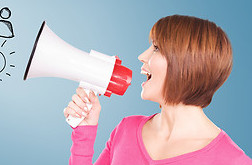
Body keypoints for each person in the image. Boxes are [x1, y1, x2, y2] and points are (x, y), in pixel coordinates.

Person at [64, 15, 252, 164]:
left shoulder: (232, 161)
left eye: (156, 48)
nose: (141, 56)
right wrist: (84, 132)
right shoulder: (126, 130)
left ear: (188, 64)